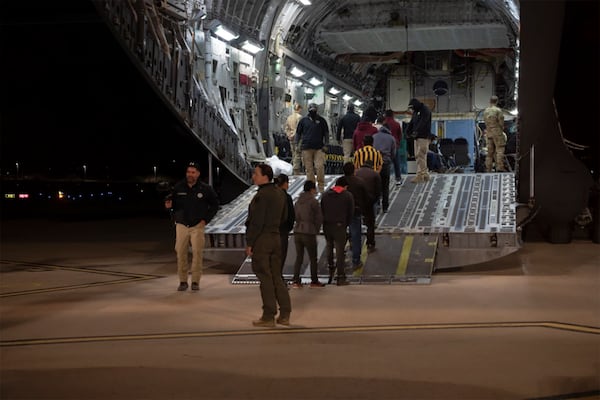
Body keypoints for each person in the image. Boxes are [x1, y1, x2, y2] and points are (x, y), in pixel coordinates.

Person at [245, 163, 292, 327]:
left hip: (262, 239)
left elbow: (256, 222)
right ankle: (285, 313)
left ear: (265, 176)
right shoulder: (281, 194)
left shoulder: (261, 196)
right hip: (277, 238)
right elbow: (285, 217)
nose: (253, 176)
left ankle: (268, 315)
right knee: (276, 276)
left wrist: (250, 242)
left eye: (256, 174)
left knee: (264, 276)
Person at [164, 162, 220, 292]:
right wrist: (169, 207)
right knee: (181, 253)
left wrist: (205, 220)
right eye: (188, 172)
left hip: (197, 226)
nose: (190, 174)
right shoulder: (178, 187)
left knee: (197, 253)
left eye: (193, 172)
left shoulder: (205, 189)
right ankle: (183, 281)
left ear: (198, 174)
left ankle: (195, 281)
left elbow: (215, 205)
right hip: (182, 225)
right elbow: (173, 205)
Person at [320, 176, 354, 286]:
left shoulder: (325, 195)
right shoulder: (347, 195)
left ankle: (330, 268)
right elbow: (351, 212)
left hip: (327, 226)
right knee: (340, 252)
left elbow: (322, 210)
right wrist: (345, 224)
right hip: (340, 226)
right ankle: (340, 277)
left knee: (329, 246)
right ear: (345, 186)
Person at [291, 180, 324, 288]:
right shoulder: (313, 201)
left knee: (299, 257)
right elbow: (319, 218)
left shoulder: (297, 201)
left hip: (297, 231)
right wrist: (316, 230)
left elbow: (295, 216)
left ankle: (296, 280)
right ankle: (314, 281)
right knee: (313, 257)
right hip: (308, 231)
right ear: (312, 189)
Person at [296, 103, 329, 192]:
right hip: (306, 148)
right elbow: (298, 133)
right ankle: (311, 186)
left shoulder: (322, 121)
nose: (313, 112)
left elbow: (326, 133)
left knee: (319, 167)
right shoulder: (303, 121)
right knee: (309, 169)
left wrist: (326, 144)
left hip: (319, 148)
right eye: (311, 110)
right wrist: (297, 144)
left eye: (314, 110)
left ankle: (321, 185)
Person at [342, 162, 370, 269]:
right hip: (355, 212)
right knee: (356, 235)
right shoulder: (359, 182)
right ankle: (356, 260)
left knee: (340, 237)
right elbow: (366, 198)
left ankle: (339, 259)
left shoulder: (340, 181)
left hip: (342, 213)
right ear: (354, 170)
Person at [355, 159, 382, 253]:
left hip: (356, 203)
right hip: (369, 202)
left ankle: (353, 242)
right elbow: (378, 191)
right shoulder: (375, 174)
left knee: (354, 224)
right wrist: (373, 201)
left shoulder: (356, 173)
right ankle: (370, 244)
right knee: (370, 224)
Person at [406, 98, 432, 183]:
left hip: (423, 136)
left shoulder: (425, 110)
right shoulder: (416, 111)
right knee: (418, 156)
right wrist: (407, 131)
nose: (412, 109)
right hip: (417, 137)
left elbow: (423, 122)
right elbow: (412, 122)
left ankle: (422, 174)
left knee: (420, 154)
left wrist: (415, 131)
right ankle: (423, 174)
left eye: (412, 107)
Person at [373, 120, 396, 213]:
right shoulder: (391, 138)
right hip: (386, 163)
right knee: (385, 186)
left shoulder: (374, 137)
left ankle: (377, 205)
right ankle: (385, 207)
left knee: (376, 186)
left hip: (375, 165)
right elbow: (393, 153)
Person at [275, 174, 295, 282]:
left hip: (270, 231)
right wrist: (288, 227)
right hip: (282, 231)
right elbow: (291, 215)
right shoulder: (286, 197)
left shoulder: (270, 196)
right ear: (285, 183)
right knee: (281, 255)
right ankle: (278, 279)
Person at [483, 95, 507, 172]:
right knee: (500, 149)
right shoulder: (498, 110)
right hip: (497, 132)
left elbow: (485, 122)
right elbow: (501, 122)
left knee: (489, 153)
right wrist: (501, 128)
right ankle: (500, 167)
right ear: (497, 101)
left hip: (489, 133)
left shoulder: (486, 111)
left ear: (490, 101)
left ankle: (488, 169)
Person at [383, 109, 403, 184]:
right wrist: (398, 143)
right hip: (395, 145)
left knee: (385, 163)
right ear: (392, 115)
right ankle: (398, 178)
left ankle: (386, 179)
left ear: (385, 115)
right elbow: (400, 136)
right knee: (396, 162)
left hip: (385, 146)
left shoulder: (383, 124)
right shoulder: (397, 124)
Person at [284, 104, 303, 175]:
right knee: (298, 153)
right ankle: (296, 170)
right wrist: (294, 135)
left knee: (293, 153)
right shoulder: (300, 117)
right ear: (299, 109)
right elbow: (298, 128)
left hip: (291, 138)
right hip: (297, 138)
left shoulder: (289, 117)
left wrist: (289, 135)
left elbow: (286, 128)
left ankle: (293, 168)